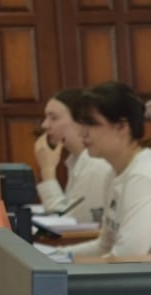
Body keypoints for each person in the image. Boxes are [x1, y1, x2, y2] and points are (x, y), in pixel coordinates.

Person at [66, 82, 151, 258]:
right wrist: (54, 256)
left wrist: (59, 263)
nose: (82, 133)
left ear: (122, 127)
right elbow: (105, 246)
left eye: (90, 124)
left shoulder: (145, 176)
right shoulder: (113, 173)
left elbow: (125, 258)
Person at [33, 88, 113, 223]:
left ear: (80, 122)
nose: (45, 125)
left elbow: (68, 224)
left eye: (53, 118)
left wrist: (47, 171)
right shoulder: (76, 160)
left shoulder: (94, 165)